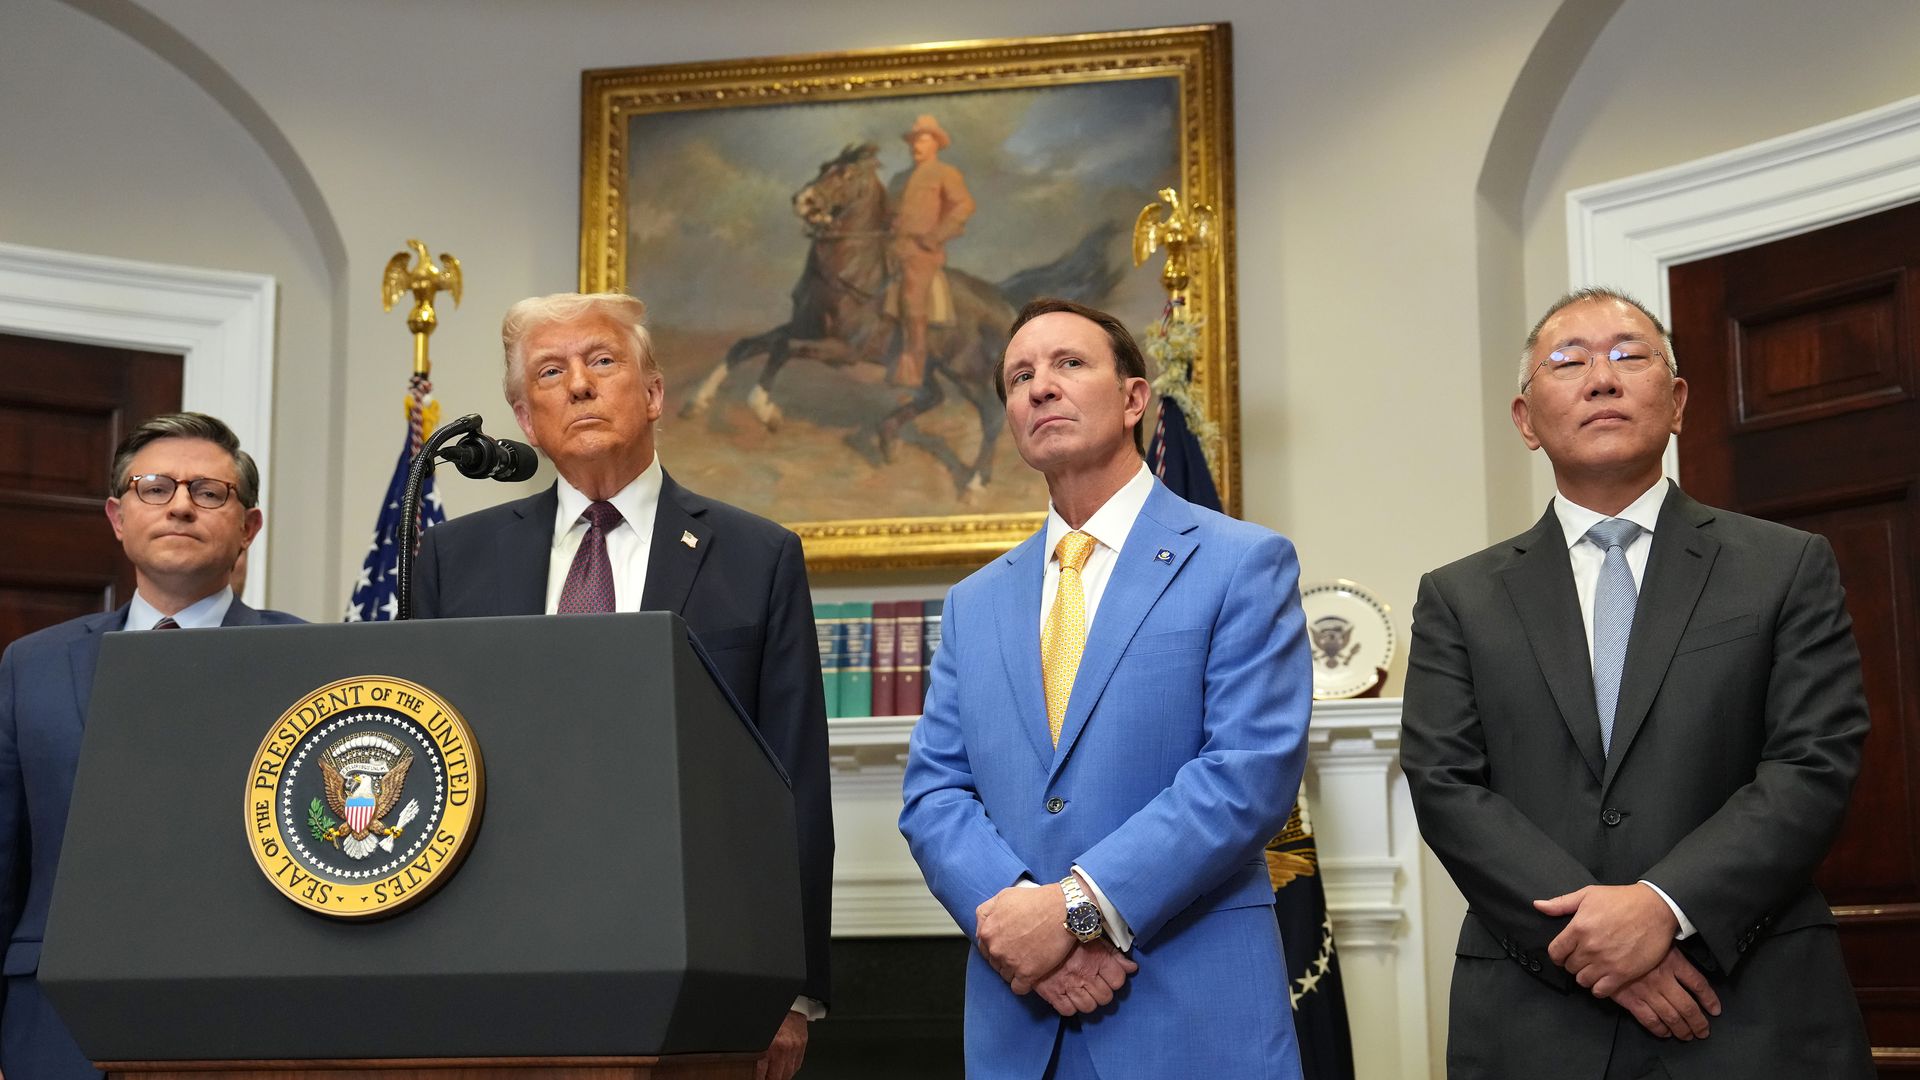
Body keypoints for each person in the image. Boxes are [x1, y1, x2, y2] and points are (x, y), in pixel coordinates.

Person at [1401, 287, 1873, 1078]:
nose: (1601, 378)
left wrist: (1663, 905)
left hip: (1749, 1004)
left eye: (1629, 353)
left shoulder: (1784, 566)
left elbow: (1813, 763)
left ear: (1678, 400)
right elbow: (1446, 783)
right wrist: (1600, 943)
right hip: (1534, 1010)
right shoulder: (1460, 596)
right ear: (1525, 420)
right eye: (1568, 361)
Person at [411, 292, 831, 1080]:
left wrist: (793, 991)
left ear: (653, 393)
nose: (578, 385)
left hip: (694, 965)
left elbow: (793, 782)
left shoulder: (756, 555)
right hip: (490, 967)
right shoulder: (453, 560)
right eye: (550, 371)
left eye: (601, 361)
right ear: (525, 418)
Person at [899, 297, 1311, 1078]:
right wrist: (1028, 929)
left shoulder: (1240, 562)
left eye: (1068, 365)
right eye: (1019, 377)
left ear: (1132, 400)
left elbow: (1246, 773)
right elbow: (934, 795)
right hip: (1021, 1023)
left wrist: (1077, 912)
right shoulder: (974, 602)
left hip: (1191, 1017)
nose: (1039, 388)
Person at [0, 412, 300, 1079]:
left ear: (248, 527)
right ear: (117, 515)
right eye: (155, 488)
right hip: (50, 1027)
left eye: (210, 492)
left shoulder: (306, 657)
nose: (181, 506)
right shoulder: (32, 665)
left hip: (248, 1018)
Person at [888, 113, 974, 388]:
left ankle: (913, 367)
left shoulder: (945, 173)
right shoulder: (899, 179)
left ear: (936, 144)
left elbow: (963, 206)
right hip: (891, 247)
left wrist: (937, 236)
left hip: (921, 252)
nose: (916, 146)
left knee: (913, 300)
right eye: (914, 141)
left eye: (923, 140)